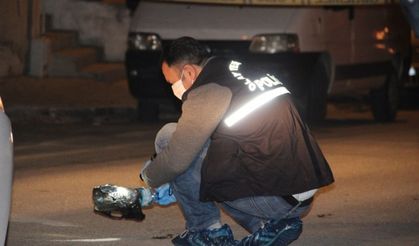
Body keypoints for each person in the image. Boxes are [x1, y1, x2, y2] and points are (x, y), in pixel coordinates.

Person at [140, 37, 334, 246]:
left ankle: (207, 232)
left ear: (188, 72)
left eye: (173, 83)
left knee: (169, 136)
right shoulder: (242, 70)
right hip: (300, 191)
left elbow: (177, 159)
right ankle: (268, 227)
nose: (175, 90)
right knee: (203, 150)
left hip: (276, 198)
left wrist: (148, 179)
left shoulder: (208, 88)